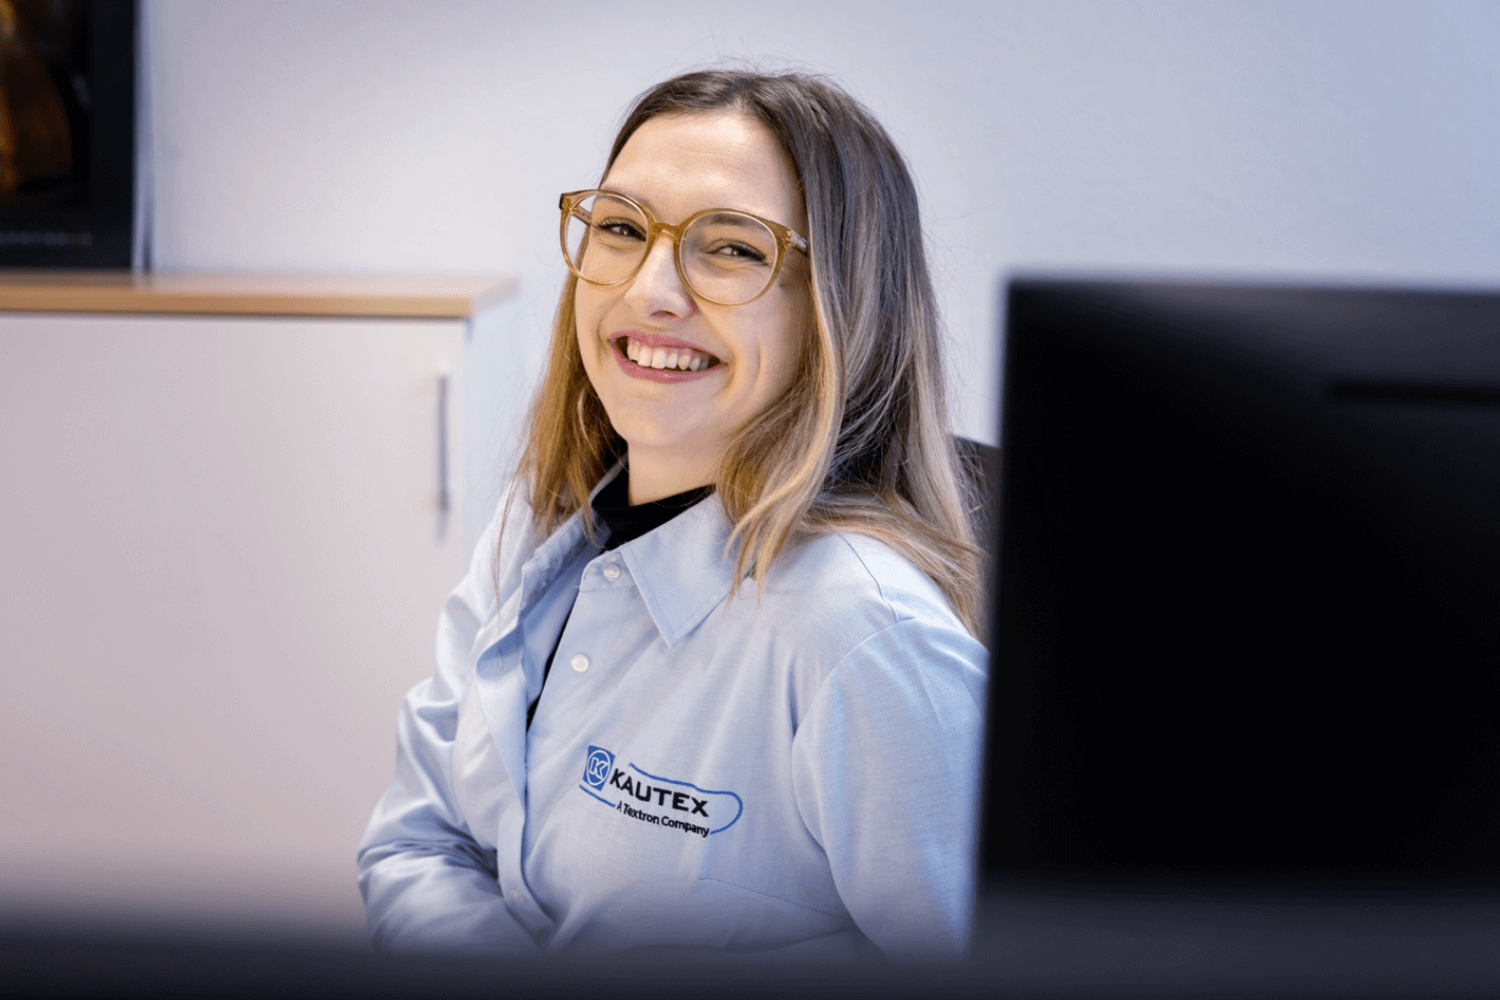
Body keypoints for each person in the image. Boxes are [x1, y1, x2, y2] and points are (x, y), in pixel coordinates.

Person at [357, 69, 988, 961]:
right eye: (620, 227)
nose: (651, 289)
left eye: (730, 248)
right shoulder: (536, 524)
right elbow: (416, 844)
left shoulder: (864, 638)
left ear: (840, 306)